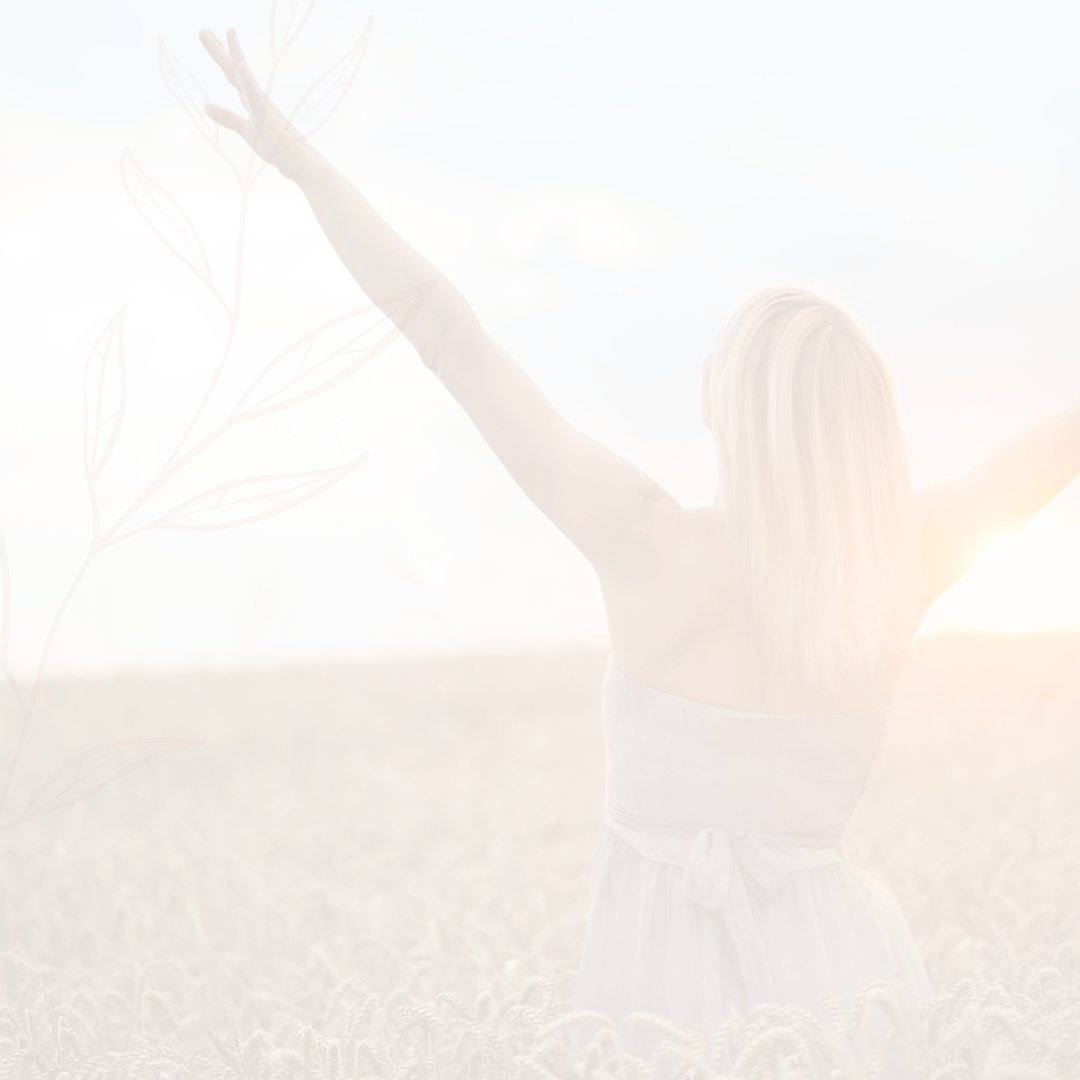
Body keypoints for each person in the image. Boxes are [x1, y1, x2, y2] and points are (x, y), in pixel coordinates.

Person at [201, 27, 1080, 1056]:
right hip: (851, 996)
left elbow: (449, 336)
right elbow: (1046, 452)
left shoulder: (642, 542)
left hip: (653, 1002)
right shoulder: (896, 566)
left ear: (730, 406)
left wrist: (310, 173)